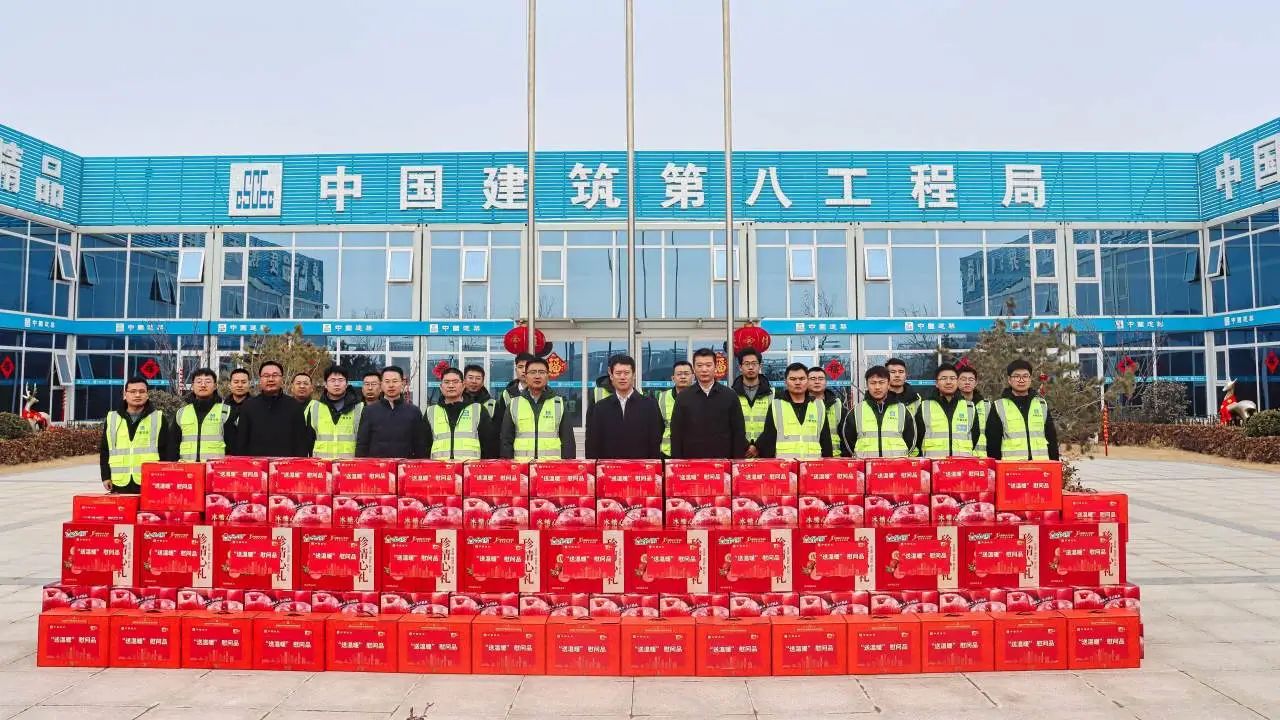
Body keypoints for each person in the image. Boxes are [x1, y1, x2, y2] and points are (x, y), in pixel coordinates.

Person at [100, 376, 176, 493]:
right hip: (119, 481)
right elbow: (105, 449)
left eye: (141, 391)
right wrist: (105, 476)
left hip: (150, 480)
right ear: (125, 394)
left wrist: (165, 477)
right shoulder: (112, 418)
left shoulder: (158, 418)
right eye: (133, 391)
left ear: (147, 394)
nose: (137, 395)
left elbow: (166, 450)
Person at [669, 348, 746, 459]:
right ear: (694, 368)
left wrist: (736, 462)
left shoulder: (729, 395)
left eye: (708, 365)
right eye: (699, 365)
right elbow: (676, 434)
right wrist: (677, 463)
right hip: (692, 462)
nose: (704, 369)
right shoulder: (683, 397)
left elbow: (738, 432)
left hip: (722, 462)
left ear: (715, 367)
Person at [585, 355, 663, 459]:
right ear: (611, 375)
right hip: (610, 466)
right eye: (618, 373)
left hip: (640, 466)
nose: (622, 377)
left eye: (626, 373)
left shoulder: (649, 405)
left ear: (633, 375)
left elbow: (655, 440)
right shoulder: (600, 408)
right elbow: (593, 442)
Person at [500, 357, 576, 460]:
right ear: (526, 376)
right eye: (532, 372)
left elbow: (568, 441)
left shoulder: (559, 403)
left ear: (548, 376)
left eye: (541, 372)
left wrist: (567, 466)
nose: (537, 376)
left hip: (551, 466)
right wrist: (509, 465)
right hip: (522, 466)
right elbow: (506, 441)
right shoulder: (514, 404)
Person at [985, 359, 1060, 461]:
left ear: (1030, 379)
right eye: (1017, 376)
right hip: (1011, 467)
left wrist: (1054, 463)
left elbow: (1051, 439)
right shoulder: (999, 406)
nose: (1021, 380)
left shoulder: (1041, 404)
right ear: (1009, 379)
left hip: (1040, 466)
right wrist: (996, 467)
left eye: (1025, 376)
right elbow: (993, 443)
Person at [235, 361, 311, 457]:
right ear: (260, 379)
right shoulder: (248, 406)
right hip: (256, 464)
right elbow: (241, 443)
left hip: (286, 464)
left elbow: (300, 444)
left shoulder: (294, 406)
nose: (270, 379)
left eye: (275, 375)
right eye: (266, 376)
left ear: (282, 379)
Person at [757, 363, 832, 459]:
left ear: (807, 381)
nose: (797, 382)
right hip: (784, 465)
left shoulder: (819, 406)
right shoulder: (776, 405)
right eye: (793, 379)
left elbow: (826, 441)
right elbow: (768, 441)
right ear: (785, 382)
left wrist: (828, 464)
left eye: (802, 379)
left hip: (813, 465)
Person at [839, 365, 915, 458]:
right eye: (873, 383)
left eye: (881, 382)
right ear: (867, 385)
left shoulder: (902, 410)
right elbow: (847, 442)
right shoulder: (856, 411)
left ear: (888, 384)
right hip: (865, 465)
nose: (877, 387)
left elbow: (911, 441)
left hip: (896, 465)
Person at [356, 366, 428, 458]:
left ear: (402, 384)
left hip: (405, 465)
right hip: (377, 465)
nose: (391, 385)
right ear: (381, 385)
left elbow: (420, 446)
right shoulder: (369, 411)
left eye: (395, 381)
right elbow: (362, 445)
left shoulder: (414, 411)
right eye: (387, 381)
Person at [426, 367, 495, 460]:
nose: (451, 386)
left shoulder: (478, 410)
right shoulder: (431, 411)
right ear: (441, 387)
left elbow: (489, 444)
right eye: (446, 382)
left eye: (455, 382)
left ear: (463, 385)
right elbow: (424, 446)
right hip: (439, 467)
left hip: (470, 467)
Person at [918, 363, 981, 458]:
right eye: (944, 378)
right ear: (936, 383)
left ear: (957, 382)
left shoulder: (969, 407)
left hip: (961, 463)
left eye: (952, 378)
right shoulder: (925, 406)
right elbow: (918, 437)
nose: (948, 382)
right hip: (934, 463)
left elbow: (975, 435)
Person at [172, 368, 234, 462]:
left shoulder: (226, 411)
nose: (203, 385)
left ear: (215, 386)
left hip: (215, 468)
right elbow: (173, 446)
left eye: (208, 382)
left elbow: (232, 446)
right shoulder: (181, 413)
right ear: (192, 386)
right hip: (187, 468)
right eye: (199, 382)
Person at [306, 366, 363, 459]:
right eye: (332, 380)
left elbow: (363, 442)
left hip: (349, 465)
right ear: (325, 384)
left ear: (347, 384)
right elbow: (308, 440)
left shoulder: (359, 408)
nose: (337, 384)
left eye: (341, 380)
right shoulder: (314, 407)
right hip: (321, 465)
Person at [731, 348, 772, 459]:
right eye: (747, 364)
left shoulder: (771, 394)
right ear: (740, 367)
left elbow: (773, 426)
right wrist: (746, 446)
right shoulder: (731, 394)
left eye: (754, 363)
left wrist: (758, 446)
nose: (750, 367)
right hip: (740, 451)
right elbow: (730, 425)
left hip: (765, 452)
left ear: (760, 366)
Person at [657, 360, 694, 458]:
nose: (683, 377)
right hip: (667, 453)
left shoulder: (700, 397)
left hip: (692, 452)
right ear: (673, 378)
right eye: (679, 374)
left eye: (686, 374)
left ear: (693, 377)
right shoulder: (662, 397)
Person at [493, 352, 536, 435]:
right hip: (514, 441)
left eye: (527, 367)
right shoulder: (507, 394)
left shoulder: (544, 392)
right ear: (516, 370)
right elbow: (501, 423)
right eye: (520, 367)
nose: (524, 370)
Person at [808, 366, 845, 457]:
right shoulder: (800, 403)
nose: (817, 382)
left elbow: (845, 436)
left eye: (821, 379)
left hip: (834, 459)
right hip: (809, 458)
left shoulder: (837, 404)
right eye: (813, 379)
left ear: (826, 382)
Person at [957, 364, 990, 456]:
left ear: (976, 383)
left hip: (982, 457)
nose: (967, 382)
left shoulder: (986, 405)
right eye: (963, 379)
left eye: (971, 379)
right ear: (957, 381)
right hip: (960, 457)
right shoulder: (953, 405)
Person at [224, 367, 253, 455]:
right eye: (236, 382)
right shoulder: (222, 406)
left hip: (249, 456)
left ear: (249, 384)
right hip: (225, 456)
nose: (240, 385)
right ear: (230, 384)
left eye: (243, 382)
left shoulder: (256, 406)